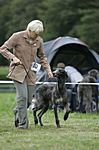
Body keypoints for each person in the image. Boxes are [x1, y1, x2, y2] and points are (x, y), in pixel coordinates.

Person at [0, 20, 53, 129]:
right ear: (29, 30)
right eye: (35, 33)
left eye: (39, 34)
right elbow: (3, 49)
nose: (37, 36)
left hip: (31, 74)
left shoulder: (39, 41)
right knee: (22, 97)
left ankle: (17, 111)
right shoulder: (17, 36)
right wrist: (13, 58)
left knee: (29, 101)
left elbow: (42, 56)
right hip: (18, 72)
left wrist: (48, 70)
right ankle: (22, 124)